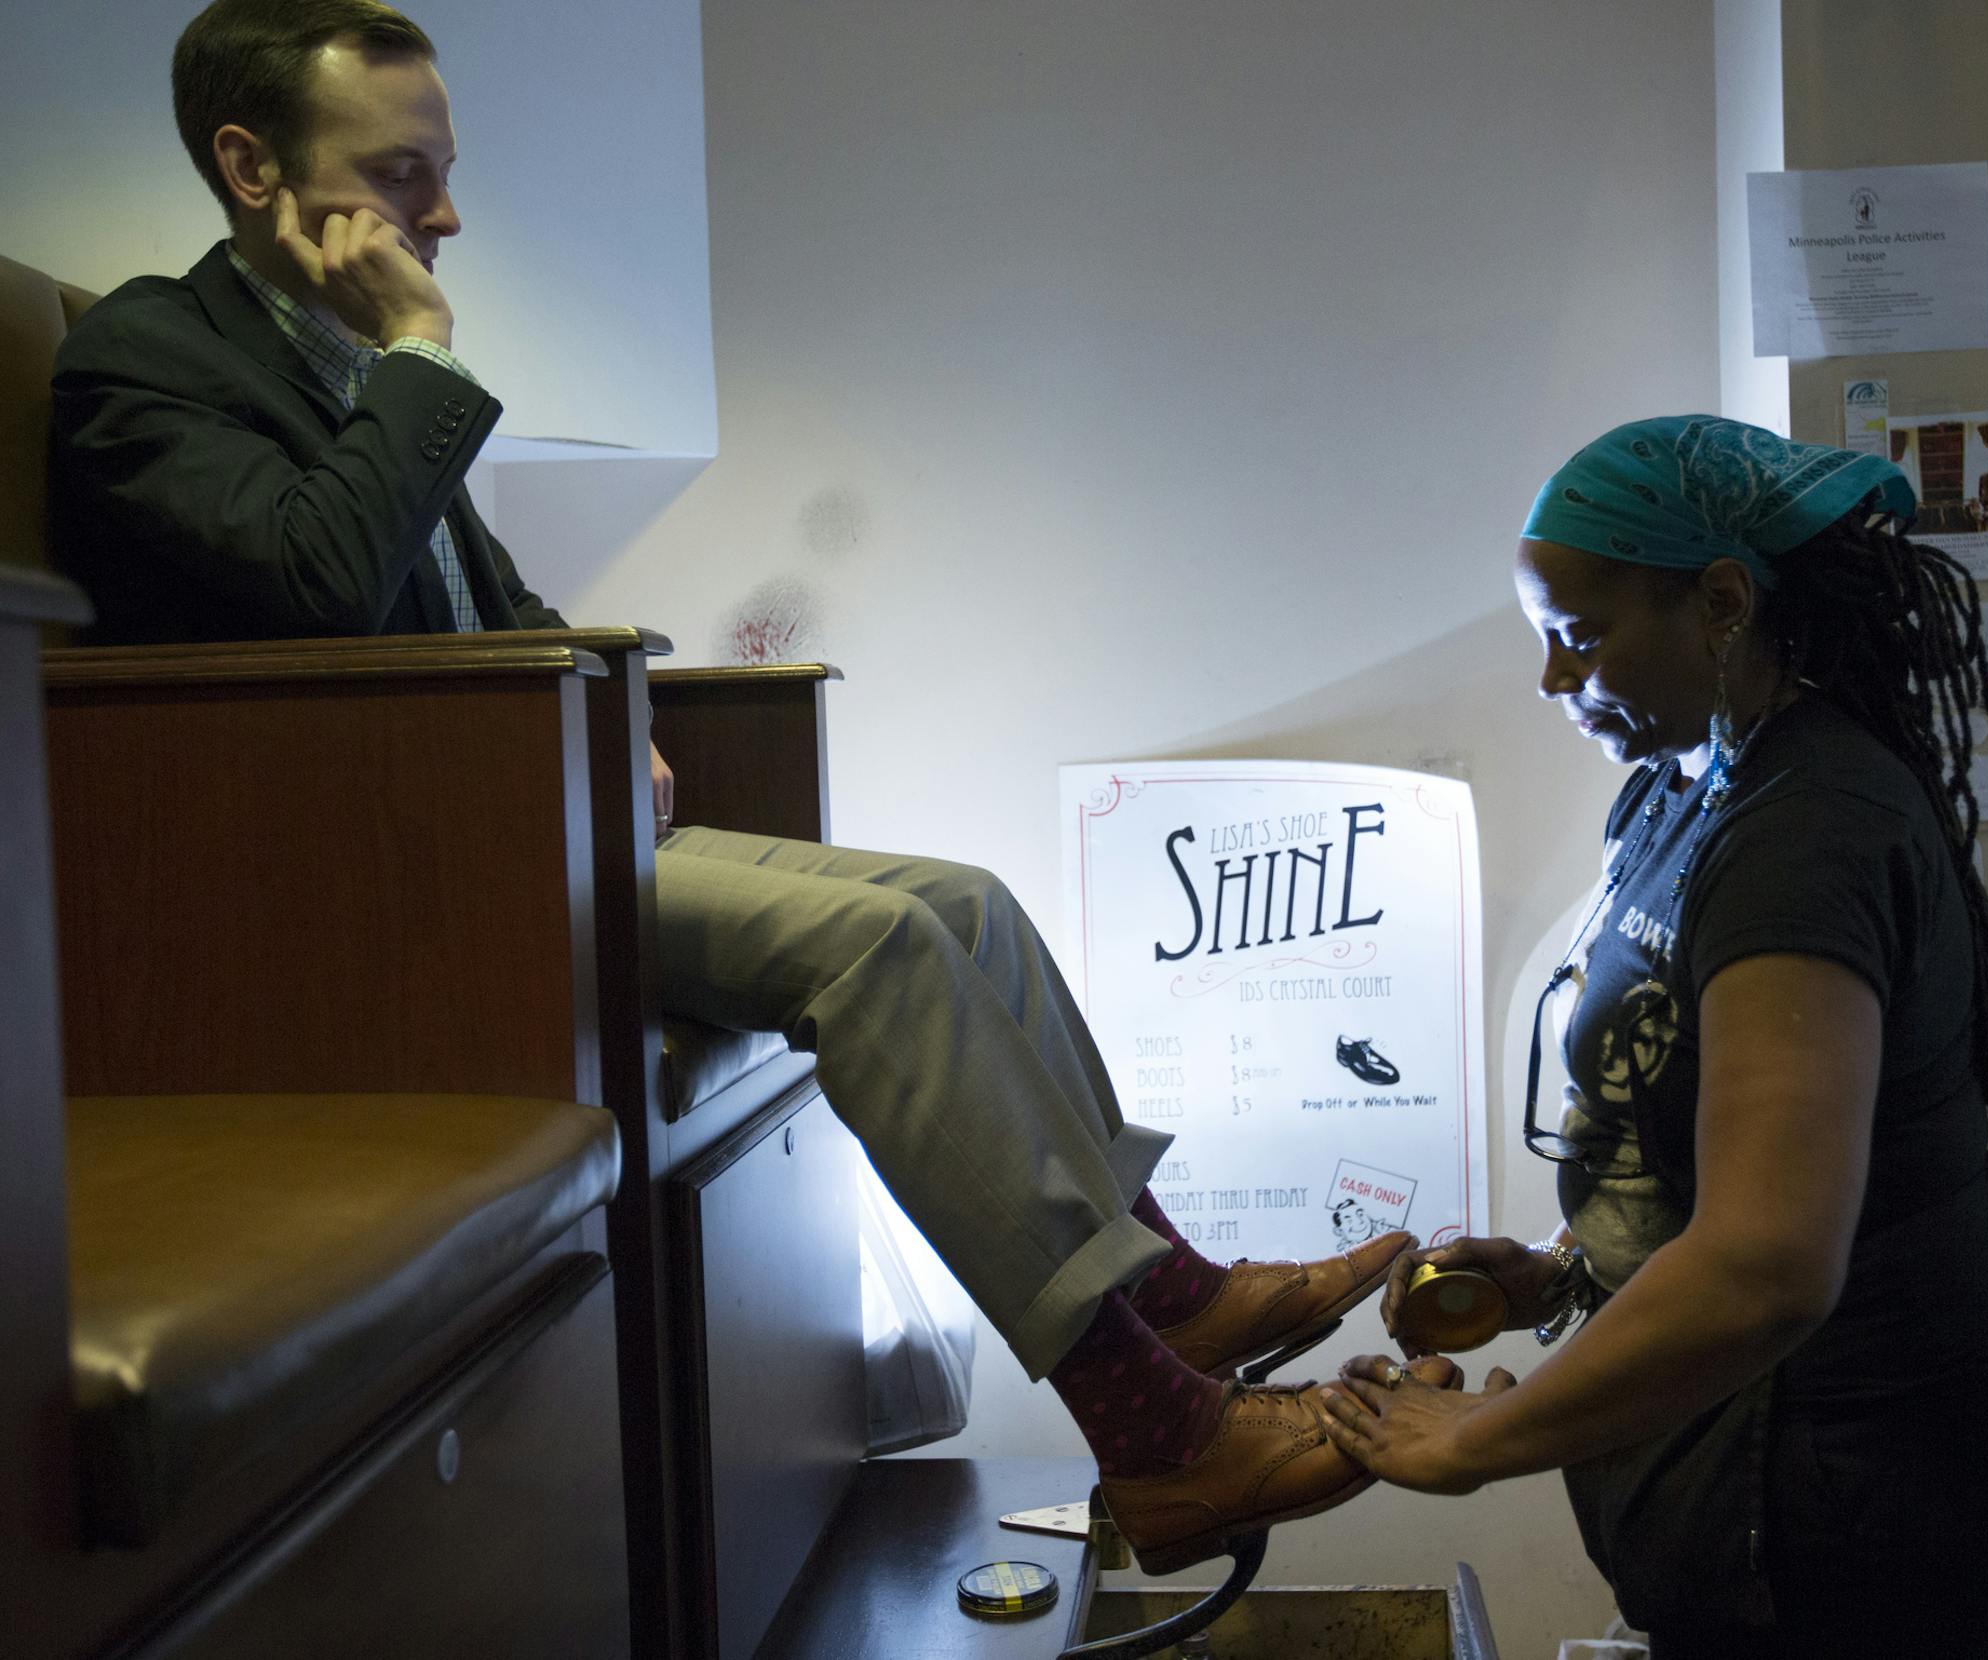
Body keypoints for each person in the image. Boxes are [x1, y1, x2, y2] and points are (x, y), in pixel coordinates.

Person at [47, 0, 1417, 1575]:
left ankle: (1173, 1290)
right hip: (380, 878)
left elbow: (485, 602)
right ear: (249, 166)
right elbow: (313, 582)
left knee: (960, 900)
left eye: (442, 169)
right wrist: (422, 359)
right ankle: (1154, 1433)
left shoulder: (333, 367)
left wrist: (605, 703)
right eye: (402, 169)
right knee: (878, 948)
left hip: (496, 819)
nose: (444, 213)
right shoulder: (141, 360)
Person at [1317, 417, 1988, 1657]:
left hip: (1895, 1442)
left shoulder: (1808, 837)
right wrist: (1574, 1257)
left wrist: (1482, 1439)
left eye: (1579, 638)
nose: (1551, 681)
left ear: (1721, 601)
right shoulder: (1684, 784)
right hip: (1809, 1412)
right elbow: (1701, 1117)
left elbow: (1767, 1260)